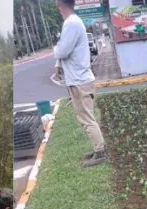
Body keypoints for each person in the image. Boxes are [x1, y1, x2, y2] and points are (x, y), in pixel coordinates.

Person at [54, 0, 107, 168]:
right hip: (80, 78)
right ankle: (98, 149)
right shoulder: (73, 22)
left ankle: (100, 152)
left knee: (86, 118)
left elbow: (62, 50)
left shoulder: (71, 23)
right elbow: (64, 52)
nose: (58, 8)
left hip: (79, 80)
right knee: (86, 117)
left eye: (58, 5)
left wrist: (56, 50)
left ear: (62, 5)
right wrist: (58, 64)